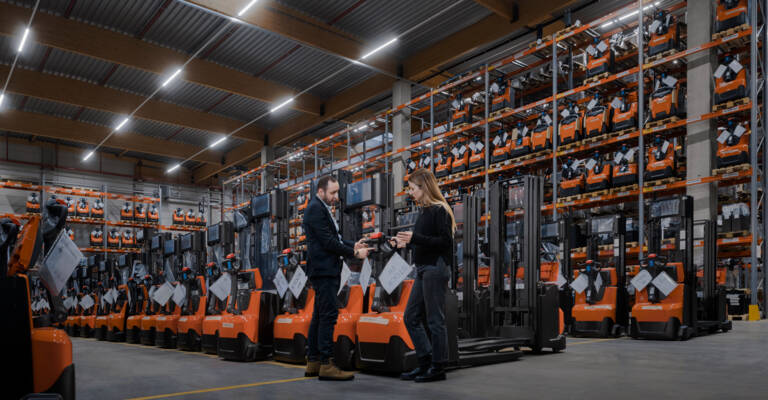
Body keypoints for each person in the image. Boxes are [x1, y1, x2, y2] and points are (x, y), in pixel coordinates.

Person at [303, 174, 372, 381]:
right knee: (328, 316)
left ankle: (313, 361)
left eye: (336, 193)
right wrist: (354, 254)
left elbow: (336, 238)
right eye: (332, 193)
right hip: (324, 270)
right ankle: (327, 364)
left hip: (323, 269)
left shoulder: (321, 208)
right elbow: (328, 243)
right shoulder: (316, 208)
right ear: (320, 191)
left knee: (319, 315)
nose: (335, 197)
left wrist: (353, 245)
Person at [391, 168, 456, 383]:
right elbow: (423, 240)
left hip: (435, 268)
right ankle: (425, 362)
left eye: (412, 188)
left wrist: (415, 238)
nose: (411, 193)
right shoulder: (425, 211)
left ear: (424, 187)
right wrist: (406, 242)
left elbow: (445, 242)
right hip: (422, 268)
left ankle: (438, 367)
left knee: (435, 319)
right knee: (411, 317)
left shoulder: (439, 210)